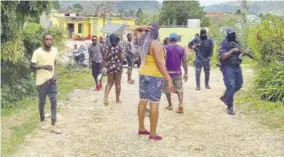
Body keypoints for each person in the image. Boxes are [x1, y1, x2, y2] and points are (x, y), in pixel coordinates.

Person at [136, 24, 173, 141]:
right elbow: (160, 64)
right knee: (154, 104)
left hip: (143, 73)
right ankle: (152, 134)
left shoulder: (142, 41)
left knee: (142, 101)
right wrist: (168, 79)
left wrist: (141, 28)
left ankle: (141, 129)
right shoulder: (155, 44)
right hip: (154, 76)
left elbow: (136, 30)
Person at [31, 33, 61, 134]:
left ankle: (53, 124)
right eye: (47, 40)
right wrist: (43, 67)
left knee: (54, 101)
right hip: (41, 82)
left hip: (52, 81)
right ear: (43, 41)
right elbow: (32, 67)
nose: (48, 41)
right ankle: (42, 120)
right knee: (42, 102)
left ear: (53, 41)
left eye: (50, 40)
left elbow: (54, 64)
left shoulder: (55, 50)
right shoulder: (37, 52)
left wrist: (55, 74)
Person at [219, 27, 243, 115]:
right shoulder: (223, 44)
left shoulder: (237, 42)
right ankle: (230, 106)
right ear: (228, 35)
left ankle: (226, 96)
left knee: (239, 85)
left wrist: (242, 53)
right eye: (231, 35)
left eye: (234, 35)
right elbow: (223, 57)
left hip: (237, 66)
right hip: (228, 66)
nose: (233, 36)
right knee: (231, 85)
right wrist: (233, 50)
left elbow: (241, 52)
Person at [164, 33, 188, 113]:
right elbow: (184, 61)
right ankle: (180, 105)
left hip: (167, 74)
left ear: (170, 39)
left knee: (167, 89)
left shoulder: (165, 48)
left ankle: (170, 105)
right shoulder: (181, 49)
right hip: (178, 73)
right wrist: (186, 73)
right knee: (179, 89)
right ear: (177, 39)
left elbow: (161, 60)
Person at [103, 33, 124, 105]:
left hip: (110, 67)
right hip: (118, 67)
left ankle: (105, 96)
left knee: (109, 83)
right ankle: (117, 100)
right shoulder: (119, 47)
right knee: (118, 84)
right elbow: (122, 58)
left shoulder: (107, 47)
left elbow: (105, 58)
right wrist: (120, 61)